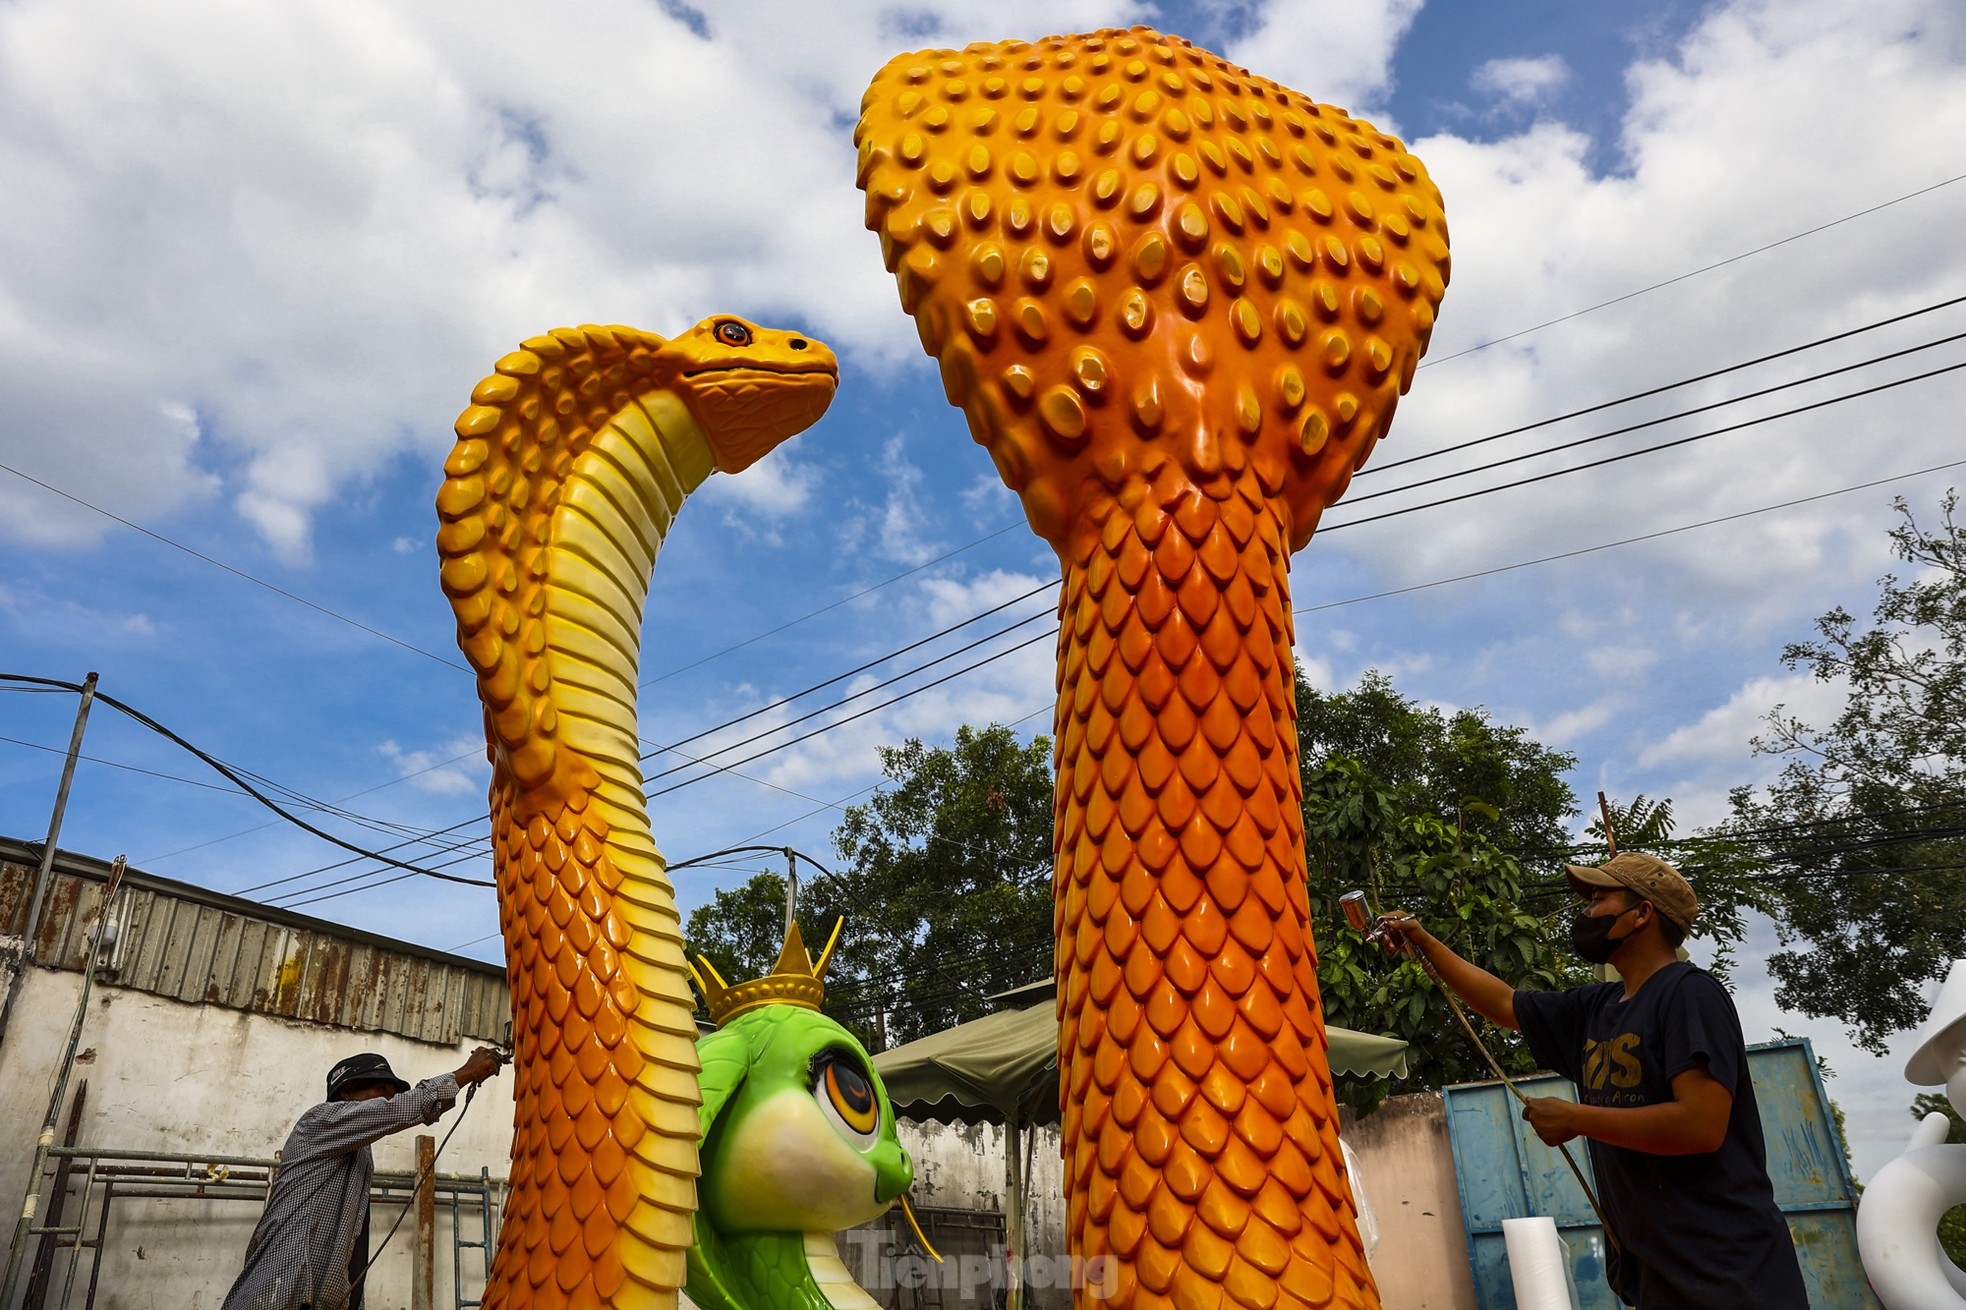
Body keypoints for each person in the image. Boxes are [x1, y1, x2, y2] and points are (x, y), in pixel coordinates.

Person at [1381, 850, 1808, 1309]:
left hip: (1732, 1275)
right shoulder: (1596, 1007)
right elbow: (1506, 1004)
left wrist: (1577, 1118)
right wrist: (1423, 942)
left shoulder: (1690, 994)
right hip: (1658, 1275)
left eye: (1600, 898)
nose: (1587, 911)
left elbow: (1701, 1125)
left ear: (1642, 913)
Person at [220, 1047, 504, 1310]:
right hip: (273, 1293)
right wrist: (465, 1073)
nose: (388, 1100)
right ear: (348, 1092)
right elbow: (397, 1110)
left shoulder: (360, 1152)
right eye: (382, 1090)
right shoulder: (319, 1120)